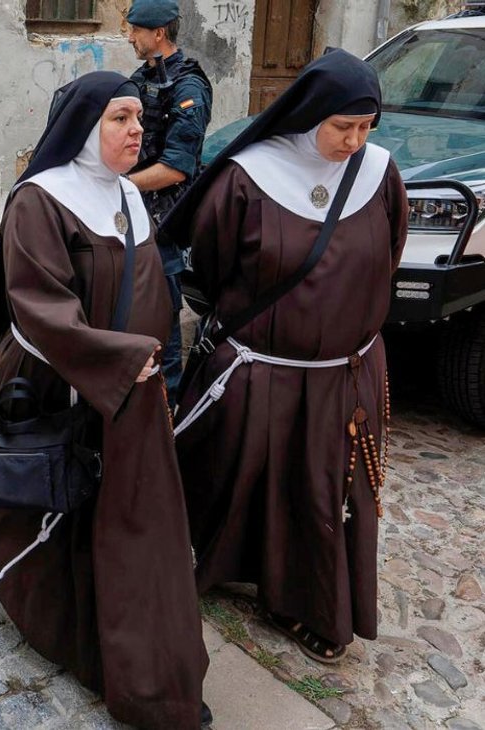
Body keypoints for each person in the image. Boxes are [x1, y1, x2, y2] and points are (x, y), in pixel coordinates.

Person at [0, 71, 210, 730]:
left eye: (139, 118)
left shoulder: (129, 198)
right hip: (50, 375)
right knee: (20, 485)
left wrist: (153, 362)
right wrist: (118, 362)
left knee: (119, 516)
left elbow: (151, 293)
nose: (136, 130)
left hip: (126, 384)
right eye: (119, 118)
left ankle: (140, 668)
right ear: (83, 128)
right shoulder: (40, 201)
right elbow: (39, 305)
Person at [161, 50, 408, 665]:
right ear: (310, 115)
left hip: (344, 377)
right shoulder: (249, 175)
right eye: (341, 128)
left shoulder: (380, 173)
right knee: (249, 474)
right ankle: (223, 567)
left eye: (366, 128)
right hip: (261, 368)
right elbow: (214, 267)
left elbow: (389, 253)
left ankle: (309, 604)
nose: (354, 142)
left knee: (324, 493)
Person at [125, 0, 212, 404]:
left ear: (158, 33)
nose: (129, 37)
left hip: (162, 226)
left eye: (135, 30)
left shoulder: (188, 87)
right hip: (131, 219)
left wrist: (119, 185)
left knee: (162, 334)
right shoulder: (140, 79)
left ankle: (169, 419)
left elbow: (177, 167)